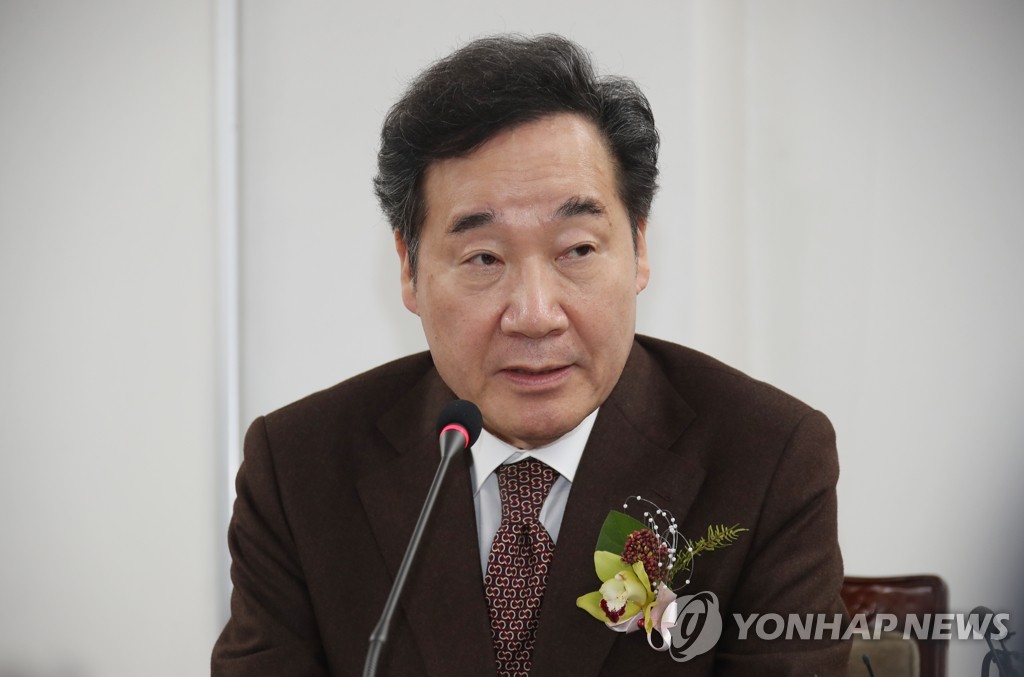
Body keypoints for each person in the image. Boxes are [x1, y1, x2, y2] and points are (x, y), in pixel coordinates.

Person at [212, 34, 850, 676]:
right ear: (408, 268)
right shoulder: (299, 471)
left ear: (639, 248)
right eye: (483, 258)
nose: (536, 314)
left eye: (578, 249)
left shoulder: (766, 458)